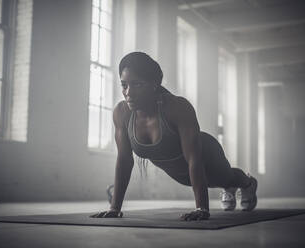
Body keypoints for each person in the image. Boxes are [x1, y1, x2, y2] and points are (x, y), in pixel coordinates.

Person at [90, 52, 257, 221]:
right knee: (201, 181)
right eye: (124, 85)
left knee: (226, 178)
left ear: (154, 84)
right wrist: (114, 208)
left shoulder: (177, 107)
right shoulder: (121, 113)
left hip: (206, 153)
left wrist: (202, 208)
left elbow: (194, 159)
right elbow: (125, 160)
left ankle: (248, 183)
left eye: (137, 84)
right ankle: (229, 188)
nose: (128, 93)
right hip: (182, 174)